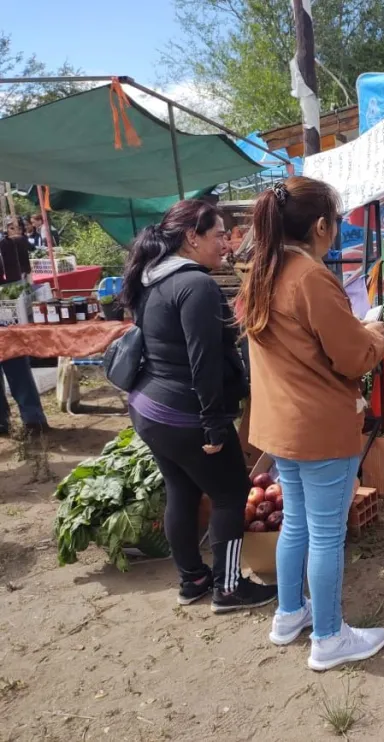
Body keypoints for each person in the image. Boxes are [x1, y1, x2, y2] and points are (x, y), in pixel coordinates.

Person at [239, 177, 384, 672]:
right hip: (320, 426)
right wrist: (376, 335)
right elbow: (351, 357)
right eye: (337, 223)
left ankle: (289, 615)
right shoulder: (309, 276)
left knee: (299, 525)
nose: (337, 232)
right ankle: (328, 637)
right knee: (325, 535)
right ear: (322, 226)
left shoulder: (260, 270)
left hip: (282, 424)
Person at [120, 200, 275, 613]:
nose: (227, 244)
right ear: (192, 237)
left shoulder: (153, 278)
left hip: (149, 408)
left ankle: (193, 579)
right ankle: (228, 588)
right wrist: (213, 425)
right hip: (185, 413)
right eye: (220, 235)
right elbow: (203, 362)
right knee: (230, 492)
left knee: (182, 490)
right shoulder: (198, 286)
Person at [0, 217, 49, 436]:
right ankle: (3, 422)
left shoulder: (9, 244)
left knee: (15, 363)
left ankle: (32, 419)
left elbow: (20, 274)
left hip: (7, 312)